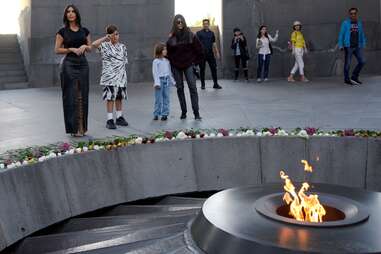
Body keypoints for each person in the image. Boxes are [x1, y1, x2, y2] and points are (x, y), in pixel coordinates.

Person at [55, 4, 91, 137]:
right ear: (66, 15)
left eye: (73, 11)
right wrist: (71, 49)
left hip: (83, 64)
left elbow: (90, 47)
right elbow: (57, 50)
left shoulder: (85, 31)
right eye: (68, 12)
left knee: (83, 96)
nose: (70, 13)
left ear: (77, 14)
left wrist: (84, 46)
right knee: (71, 96)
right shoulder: (62, 32)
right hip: (68, 64)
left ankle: (82, 127)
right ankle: (73, 128)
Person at [167, 14, 204, 120]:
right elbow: (167, 52)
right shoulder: (171, 37)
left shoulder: (190, 35)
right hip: (176, 66)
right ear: (175, 23)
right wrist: (172, 61)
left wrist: (194, 62)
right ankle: (183, 112)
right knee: (180, 89)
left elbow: (200, 50)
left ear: (184, 22)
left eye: (181, 21)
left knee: (193, 88)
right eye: (178, 22)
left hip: (188, 65)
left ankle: (196, 113)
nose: (180, 24)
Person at [92, 25, 129, 130]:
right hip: (109, 77)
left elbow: (124, 61)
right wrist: (105, 38)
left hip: (121, 77)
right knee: (110, 98)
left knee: (119, 97)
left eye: (117, 34)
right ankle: (109, 119)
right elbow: (94, 44)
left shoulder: (123, 47)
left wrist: (122, 76)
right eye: (114, 34)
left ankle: (119, 117)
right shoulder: (104, 46)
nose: (116, 36)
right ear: (110, 35)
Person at [338, 7, 366, 86]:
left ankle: (354, 77)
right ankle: (346, 80)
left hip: (357, 46)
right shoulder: (345, 23)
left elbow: (362, 34)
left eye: (354, 13)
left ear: (357, 14)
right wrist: (341, 45)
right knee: (348, 64)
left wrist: (363, 43)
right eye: (351, 13)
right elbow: (341, 34)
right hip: (348, 46)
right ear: (349, 14)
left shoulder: (359, 23)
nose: (353, 15)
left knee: (362, 61)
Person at [152, 43, 176, 121]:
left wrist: (173, 82)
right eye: (164, 49)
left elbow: (169, 73)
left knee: (166, 98)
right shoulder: (156, 61)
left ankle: (165, 114)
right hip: (160, 81)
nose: (166, 51)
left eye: (166, 49)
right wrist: (157, 83)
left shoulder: (167, 61)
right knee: (158, 99)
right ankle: (156, 113)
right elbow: (155, 73)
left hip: (167, 81)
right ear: (160, 51)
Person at [196, 19, 222, 90]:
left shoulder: (212, 33)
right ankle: (203, 85)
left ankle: (215, 84)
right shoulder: (199, 33)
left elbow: (214, 43)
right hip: (202, 54)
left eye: (207, 23)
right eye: (204, 24)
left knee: (214, 68)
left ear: (209, 24)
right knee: (202, 69)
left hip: (210, 54)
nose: (205, 25)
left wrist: (217, 52)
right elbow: (196, 44)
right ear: (203, 25)